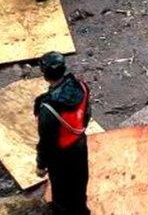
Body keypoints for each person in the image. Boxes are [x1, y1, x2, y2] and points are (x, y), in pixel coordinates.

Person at [34, 52, 91, 214]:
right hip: (80, 145)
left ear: (44, 74)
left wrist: (41, 165)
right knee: (80, 184)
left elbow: (45, 143)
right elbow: (87, 114)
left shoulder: (47, 109)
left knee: (61, 195)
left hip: (60, 156)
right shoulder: (82, 87)